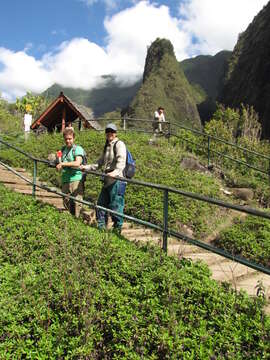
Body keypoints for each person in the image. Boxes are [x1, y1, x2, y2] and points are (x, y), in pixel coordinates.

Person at [80, 123, 126, 233]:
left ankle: (117, 230)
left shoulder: (119, 144)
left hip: (117, 180)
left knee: (116, 207)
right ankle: (101, 229)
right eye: (108, 131)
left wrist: (115, 172)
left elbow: (121, 160)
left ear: (115, 133)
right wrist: (86, 167)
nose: (110, 133)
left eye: (112, 131)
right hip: (107, 180)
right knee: (100, 205)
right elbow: (99, 163)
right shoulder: (107, 146)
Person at [56, 128, 85, 218]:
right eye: (66, 139)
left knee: (77, 202)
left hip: (76, 179)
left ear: (73, 138)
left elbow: (77, 163)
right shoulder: (63, 149)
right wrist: (59, 165)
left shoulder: (78, 149)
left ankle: (78, 221)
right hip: (65, 179)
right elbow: (59, 163)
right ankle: (73, 220)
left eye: (70, 139)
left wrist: (63, 164)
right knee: (66, 201)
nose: (68, 141)